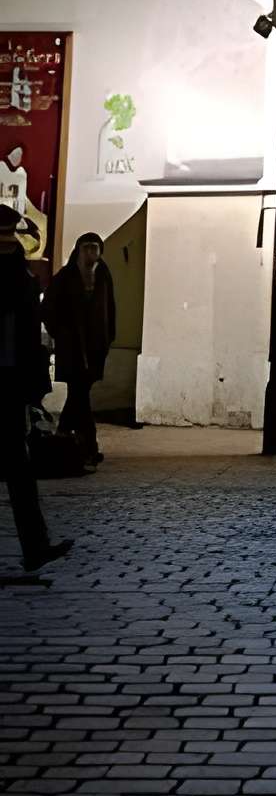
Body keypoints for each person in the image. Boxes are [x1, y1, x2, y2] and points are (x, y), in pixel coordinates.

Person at [0, 204, 73, 574]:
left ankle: (36, 545)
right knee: (18, 468)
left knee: (19, 468)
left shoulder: (23, 279)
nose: (9, 244)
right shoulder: (20, 278)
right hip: (9, 380)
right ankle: (35, 545)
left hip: (12, 382)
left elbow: (30, 335)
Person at [42, 231, 117, 468]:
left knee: (79, 395)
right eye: (87, 248)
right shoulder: (66, 276)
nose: (91, 253)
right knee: (80, 394)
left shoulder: (103, 274)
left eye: (95, 248)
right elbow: (47, 308)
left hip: (95, 347)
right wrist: (60, 333)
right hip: (73, 347)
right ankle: (87, 446)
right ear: (79, 250)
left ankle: (66, 438)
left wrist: (108, 338)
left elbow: (110, 307)